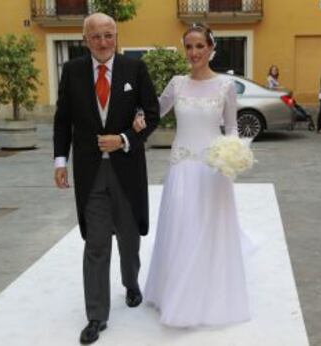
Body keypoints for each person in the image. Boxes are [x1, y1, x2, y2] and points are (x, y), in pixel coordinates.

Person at [53, 13, 159, 345]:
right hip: (90, 173)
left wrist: (125, 139)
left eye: (108, 35)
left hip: (127, 171)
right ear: (85, 40)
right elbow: (63, 120)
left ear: (116, 36)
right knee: (96, 243)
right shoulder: (71, 72)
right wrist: (60, 160)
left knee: (129, 238)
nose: (103, 42)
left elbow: (152, 114)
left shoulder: (134, 69)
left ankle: (131, 282)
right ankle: (96, 315)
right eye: (96, 36)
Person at [135, 23, 251, 327]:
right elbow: (153, 113)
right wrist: (133, 121)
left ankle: (206, 293)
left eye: (200, 46)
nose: (194, 52)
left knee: (208, 231)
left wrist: (233, 154)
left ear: (211, 49)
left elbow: (233, 127)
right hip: (182, 167)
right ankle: (175, 293)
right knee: (182, 229)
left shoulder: (226, 86)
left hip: (213, 170)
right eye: (189, 46)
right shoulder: (177, 84)